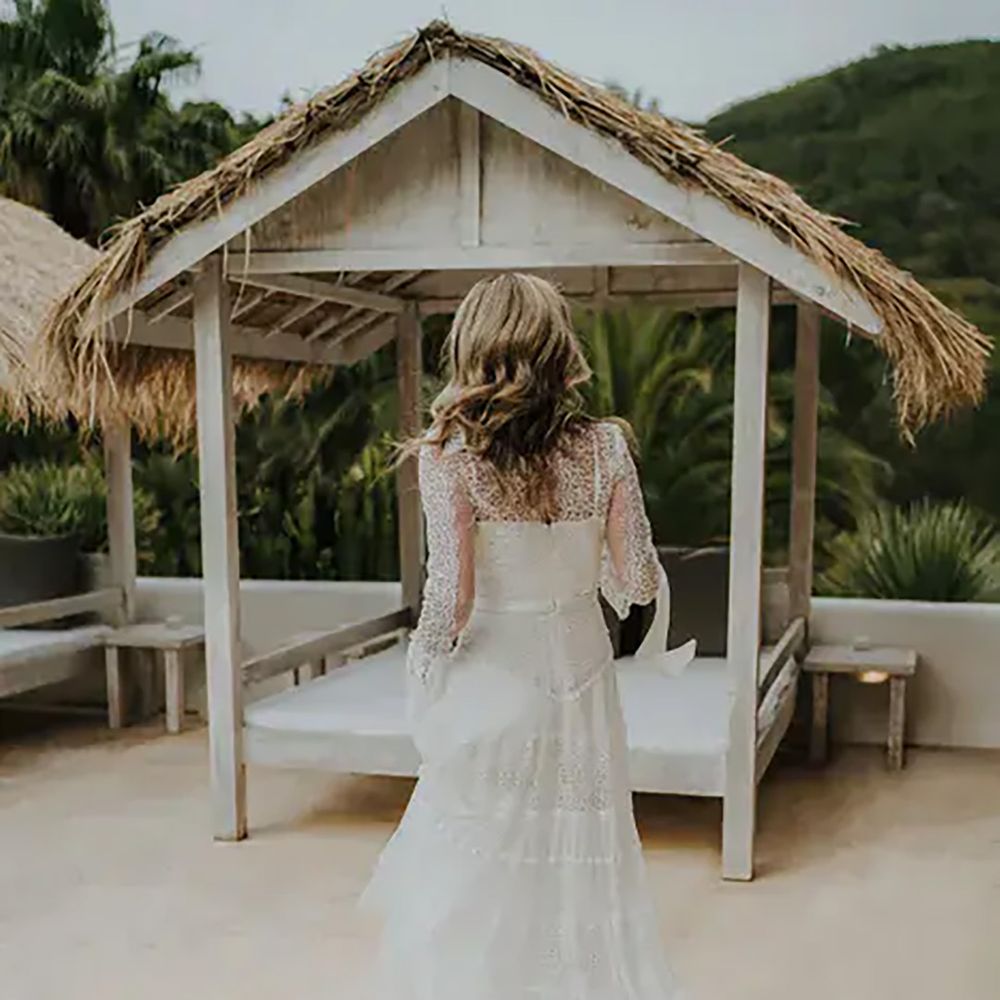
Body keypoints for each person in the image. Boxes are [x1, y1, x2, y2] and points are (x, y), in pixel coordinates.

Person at [360, 273, 692, 999]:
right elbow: (637, 581)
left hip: (493, 679)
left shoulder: (448, 456)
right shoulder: (605, 448)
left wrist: (423, 679)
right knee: (580, 856)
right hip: (582, 679)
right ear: (557, 349)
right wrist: (589, 566)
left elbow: (451, 598)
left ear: (473, 349)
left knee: (482, 859)